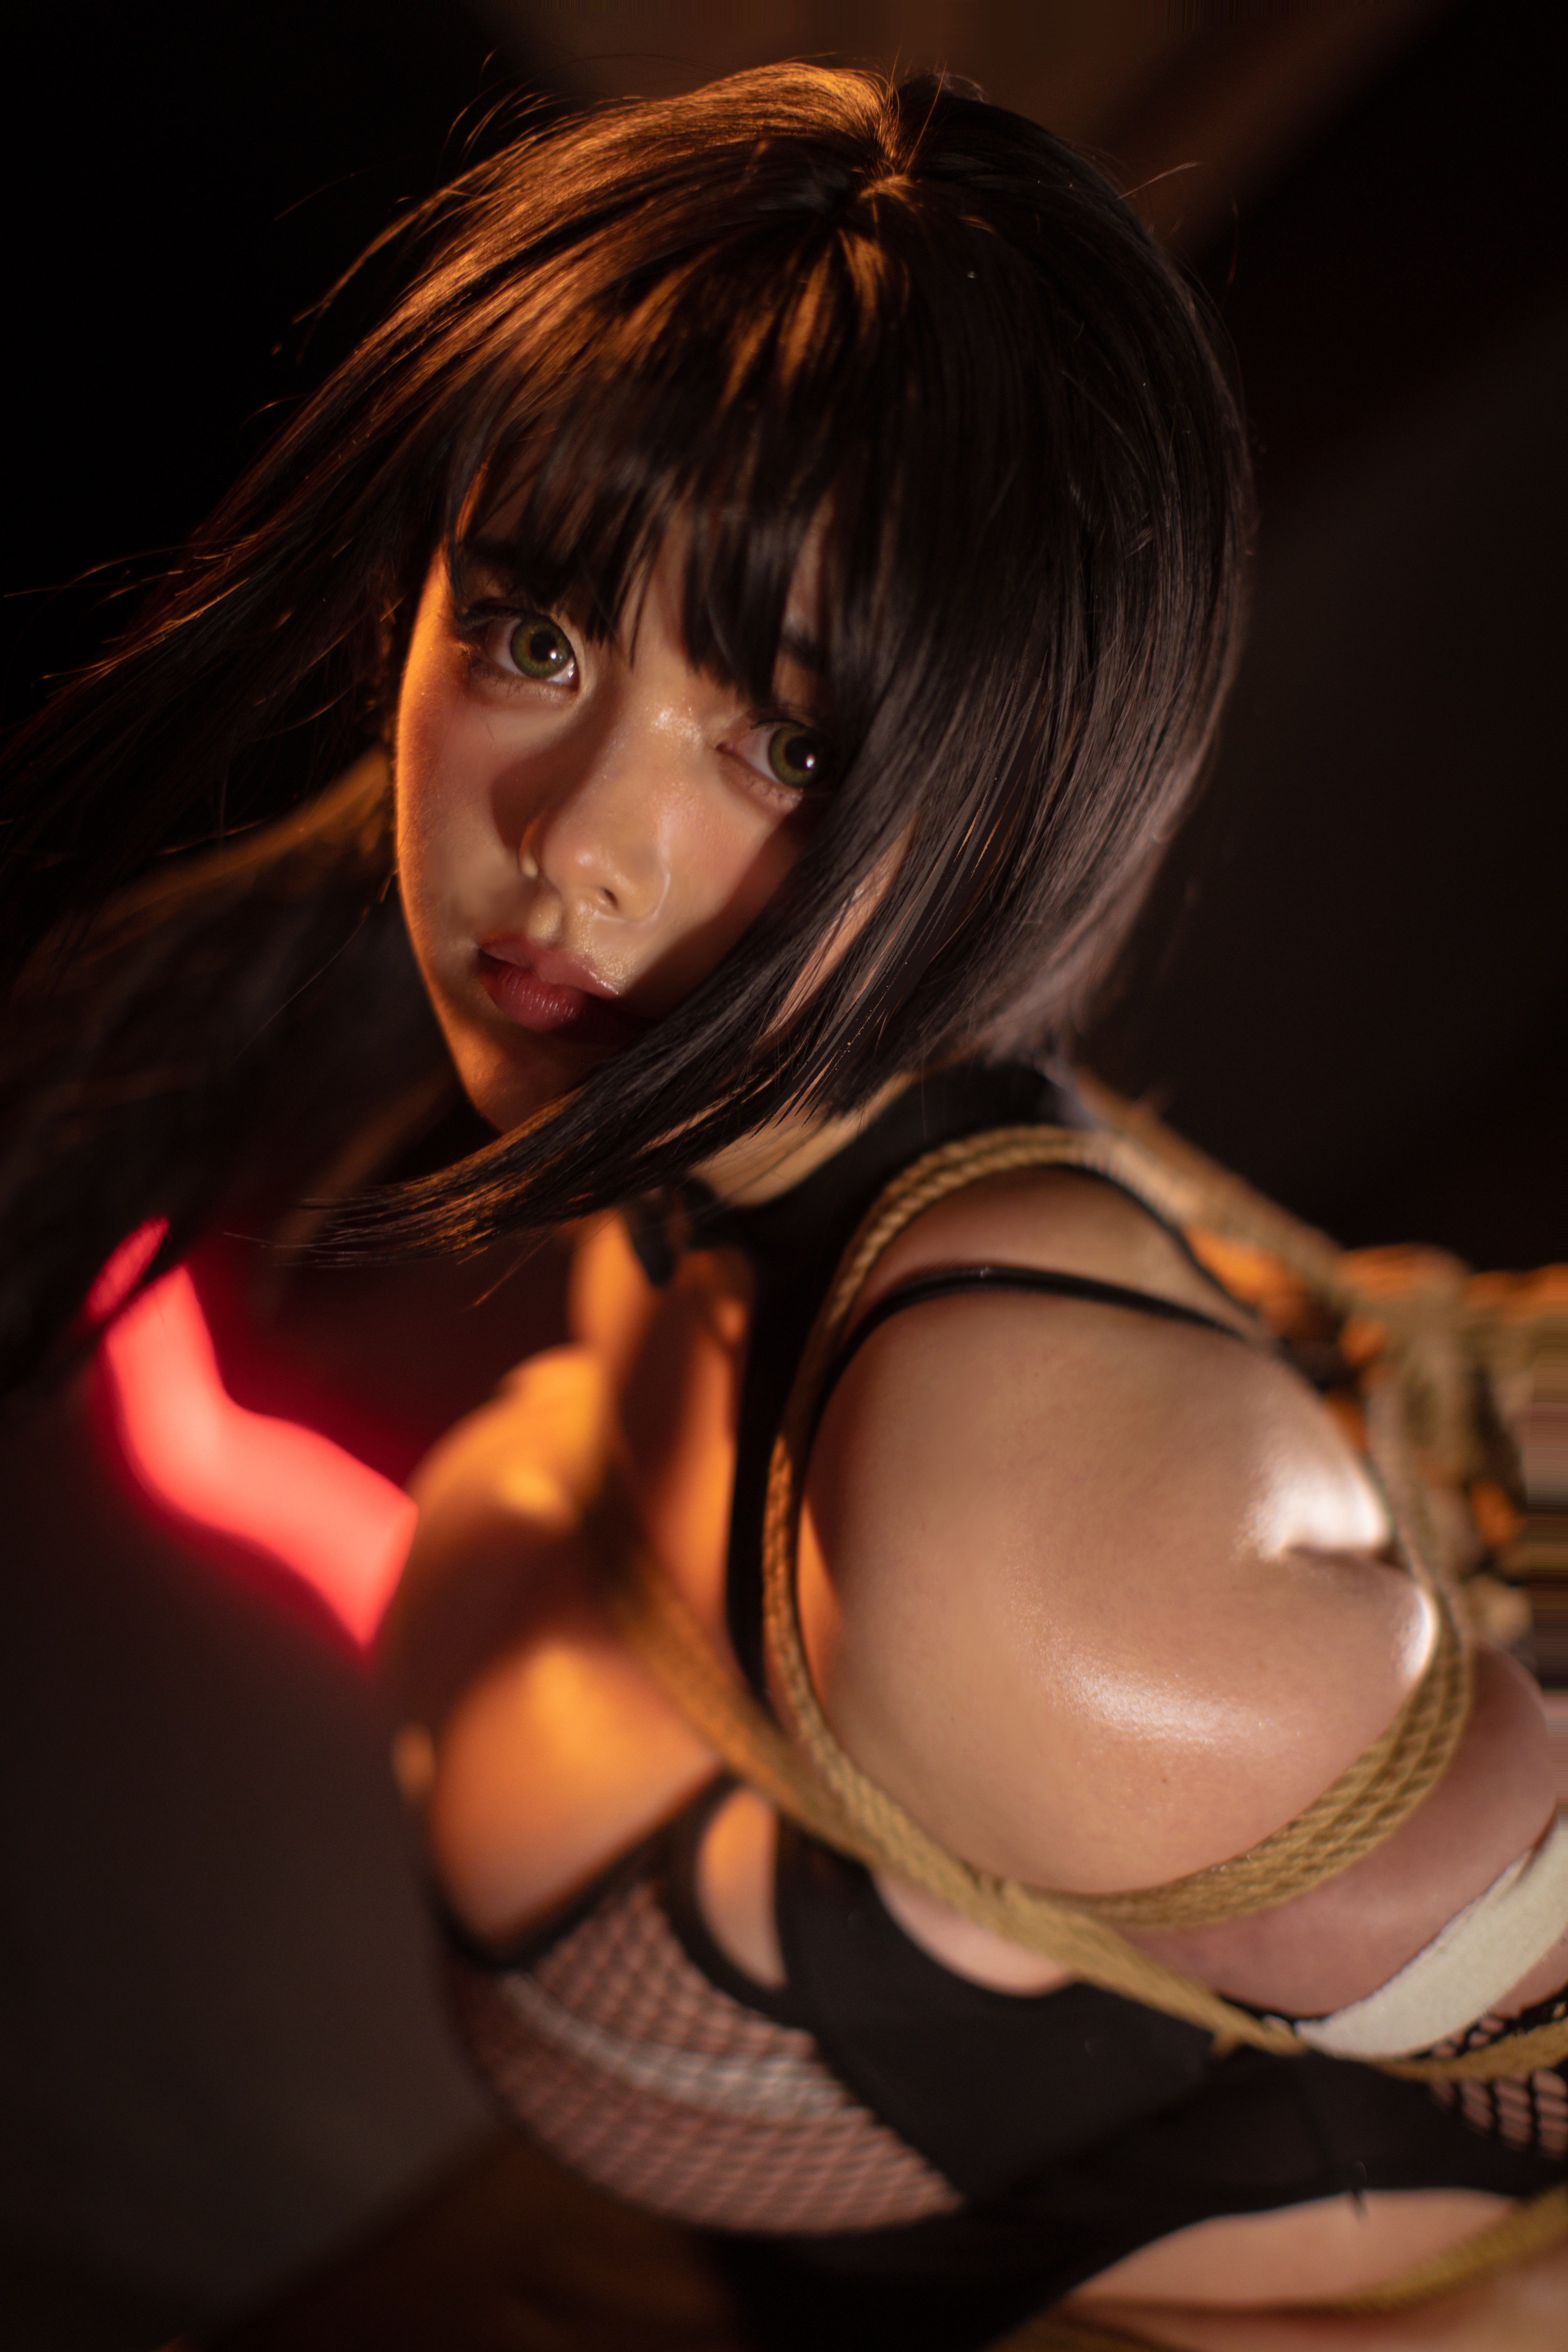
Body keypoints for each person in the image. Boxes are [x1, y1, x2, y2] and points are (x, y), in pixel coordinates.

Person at [4, 62, 1565, 2352]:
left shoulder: (1011, 1504)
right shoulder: (716, 1209)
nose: (576, 846)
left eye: (785, 743)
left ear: (1015, 790)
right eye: (534, 636)